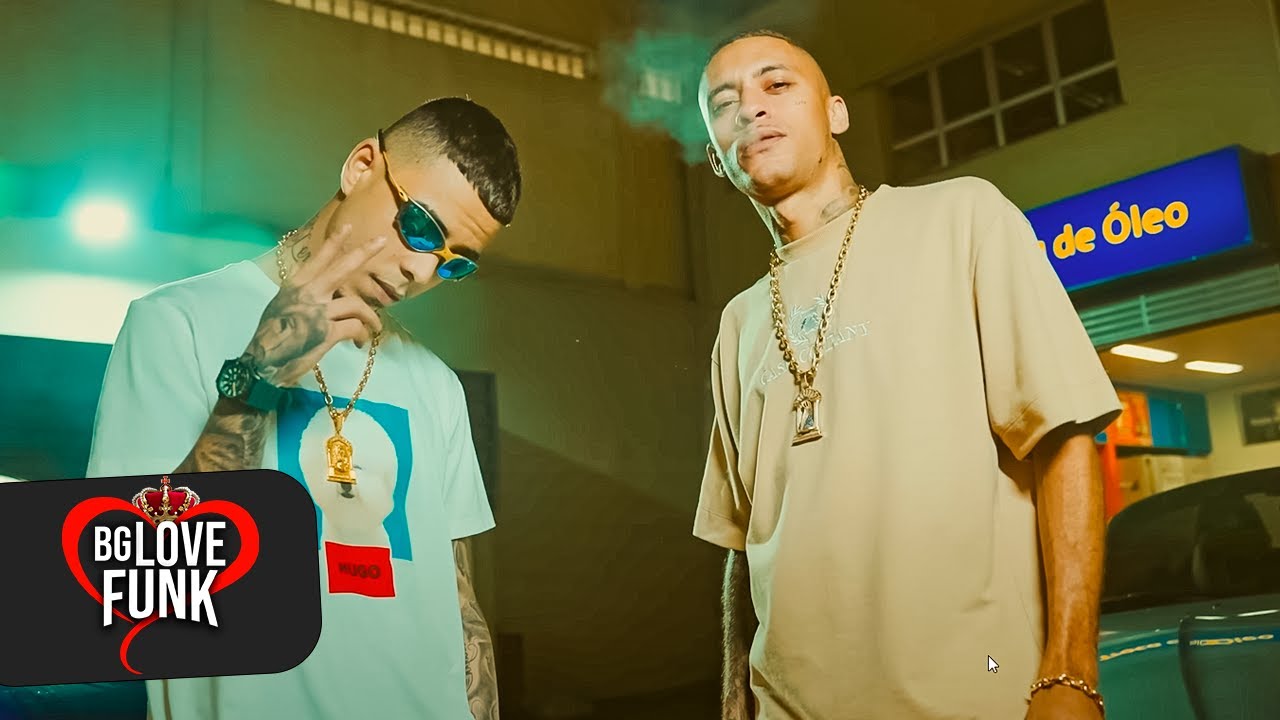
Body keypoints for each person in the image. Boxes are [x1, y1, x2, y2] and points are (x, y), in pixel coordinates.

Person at [692, 30, 1121, 720]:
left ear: (835, 112)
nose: (751, 108)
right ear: (716, 157)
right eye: (724, 103)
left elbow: (1062, 437)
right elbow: (743, 544)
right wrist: (732, 699)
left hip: (977, 694)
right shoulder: (739, 324)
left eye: (777, 85)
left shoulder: (961, 218)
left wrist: (1071, 674)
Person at [86, 96, 521, 720]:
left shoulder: (437, 385)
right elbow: (127, 574)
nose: (420, 269)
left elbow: (460, 611)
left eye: (452, 263)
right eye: (421, 227)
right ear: (361, 166)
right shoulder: (176, 323)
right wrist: (256, 378)